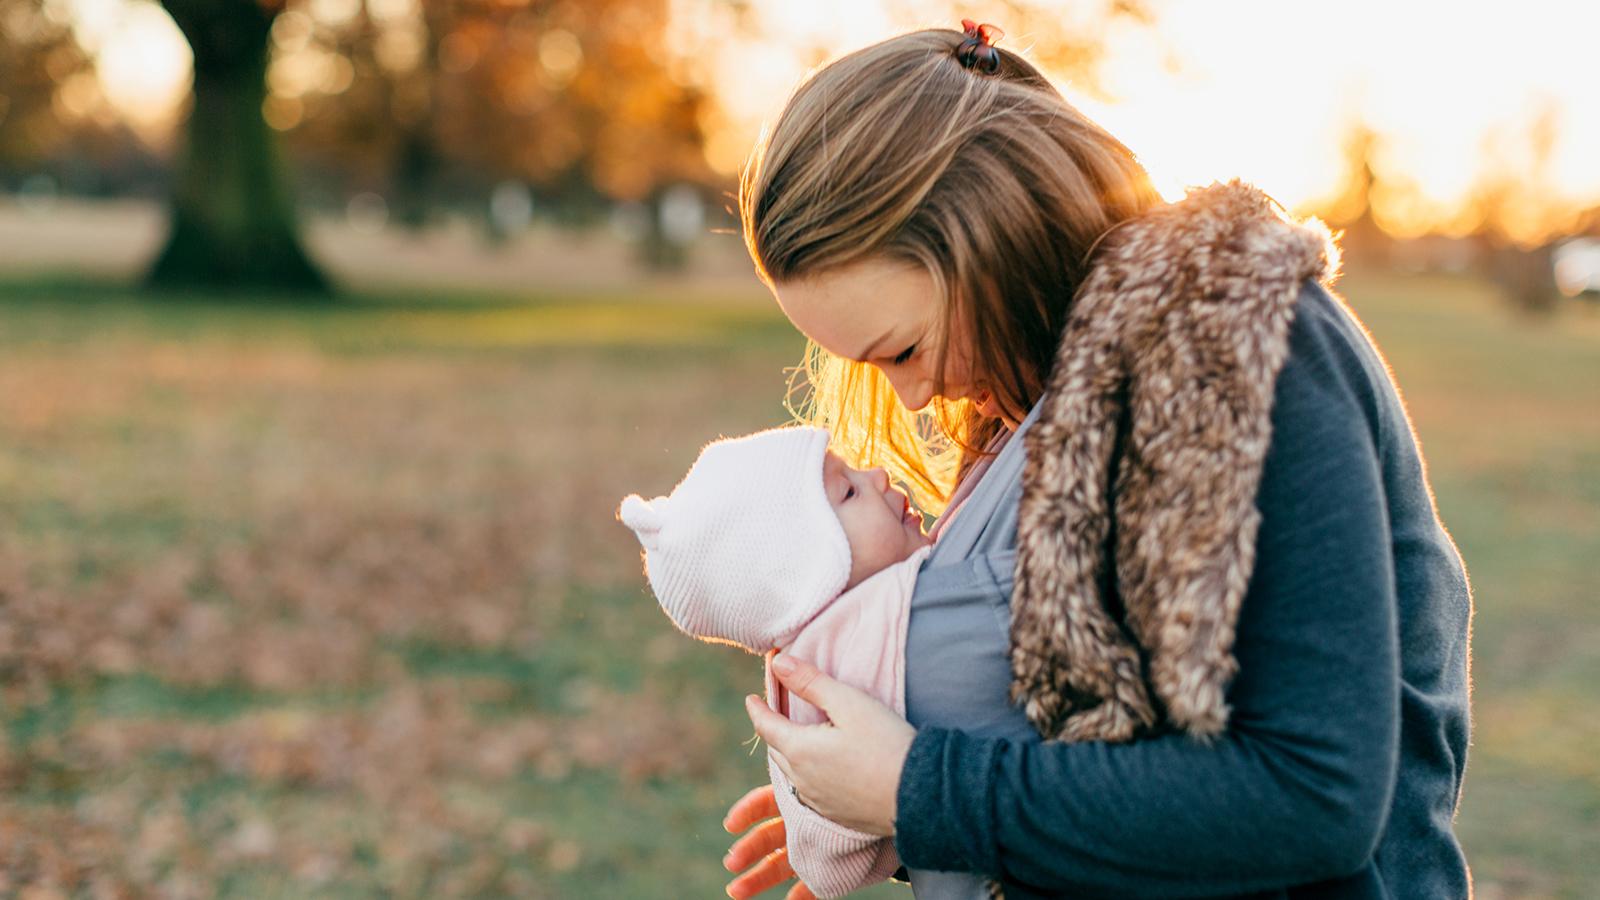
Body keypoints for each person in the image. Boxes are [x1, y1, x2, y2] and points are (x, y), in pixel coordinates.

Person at [717, 20, 1473, 900]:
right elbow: (1108, 735)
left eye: (904, 350)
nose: (912, 402)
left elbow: (1312, 800)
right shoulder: (1055, 394)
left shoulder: (1240, 346)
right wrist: (876, 804)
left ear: (983, 235)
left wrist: (922, 788)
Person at [617, 426, 935, 897]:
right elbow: (834, 853)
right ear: (809, 581)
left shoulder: (890, 605)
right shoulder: (845, 657)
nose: (880, 476)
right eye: (849, 490)